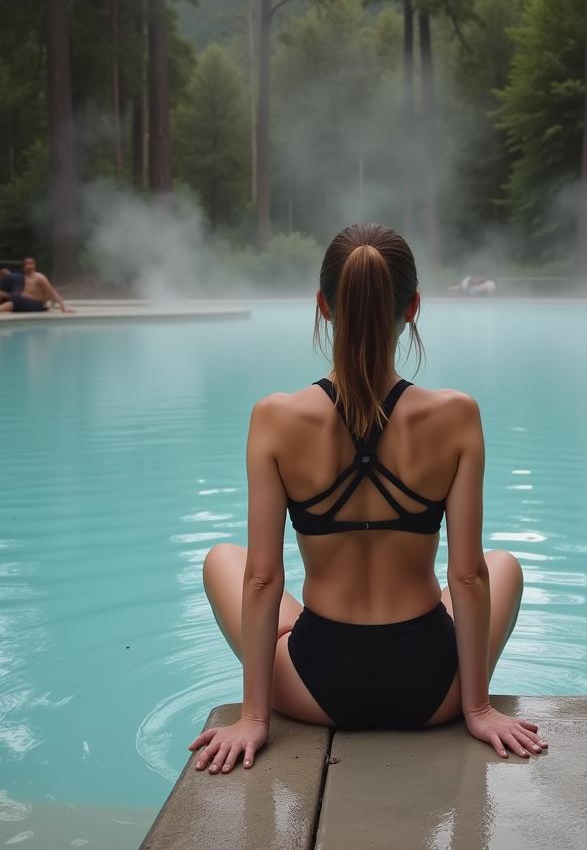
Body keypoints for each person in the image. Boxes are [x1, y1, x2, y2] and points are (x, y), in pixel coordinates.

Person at [190, 223, 546, 776]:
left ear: (323, 307)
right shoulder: (456, 415)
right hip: (434, 692)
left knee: (223, 559)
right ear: (413, 308)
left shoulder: (276, 418)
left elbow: (263, 579)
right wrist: (476, 708)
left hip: (317, 687)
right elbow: (469, 576)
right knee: (503, 566)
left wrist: (253, 719)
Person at [0, 257, 72, 314]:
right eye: (27, 264)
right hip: (22, 300)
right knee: (1, 293)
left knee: (14, 302)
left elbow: (52, 291)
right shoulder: (23, 277)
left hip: (36, 305)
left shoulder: (39, 277)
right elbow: (12, 279)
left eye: (31, 263)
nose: (29, 265)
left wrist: (63, 306)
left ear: (35, 265)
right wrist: (7, 274)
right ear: (24, 267)